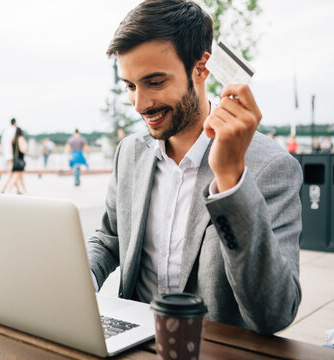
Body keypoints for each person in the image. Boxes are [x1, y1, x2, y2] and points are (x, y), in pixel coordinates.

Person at [86, 0, 302, 336]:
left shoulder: (270, 167)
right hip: (130, 342)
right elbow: (109, 238)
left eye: (155, 82)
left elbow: (274, 313)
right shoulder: (129, 152)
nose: (140, 105)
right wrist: (78, 278)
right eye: (130, 86)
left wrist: (231, 180)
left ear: (202, 68)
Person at [2, 128, 27, 194]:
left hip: (15, 160)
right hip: (20, 161)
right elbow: (23, 149)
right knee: (15, 177)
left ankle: (24, 190)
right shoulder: (21, 138)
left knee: (20, 177)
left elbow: (11, 151)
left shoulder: (13, 140)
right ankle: (8, 190)